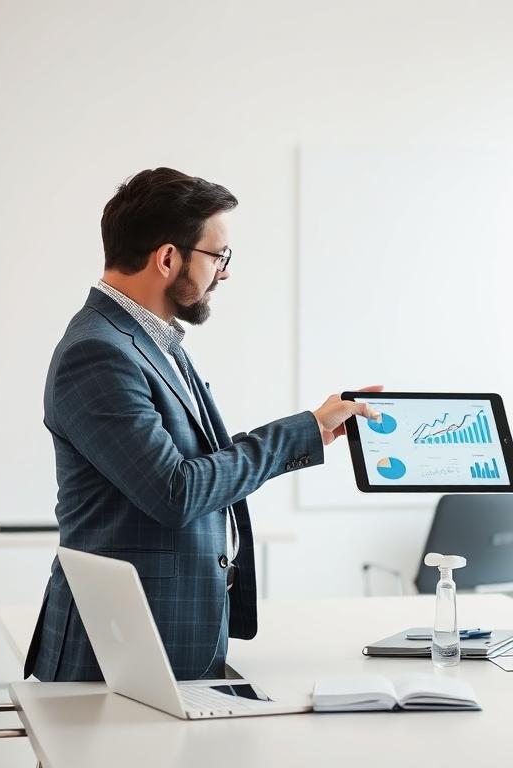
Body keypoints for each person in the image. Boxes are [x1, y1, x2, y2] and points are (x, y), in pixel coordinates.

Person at [24, 167, 379, 682]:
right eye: (220, 256)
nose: (226, 272)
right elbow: (176, 491)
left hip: (164, 639)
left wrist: (312, 432)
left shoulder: (150, 340)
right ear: (168, 258)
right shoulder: (99, 353)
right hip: (119, 655)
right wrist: (296, 432)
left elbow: (187, 465)